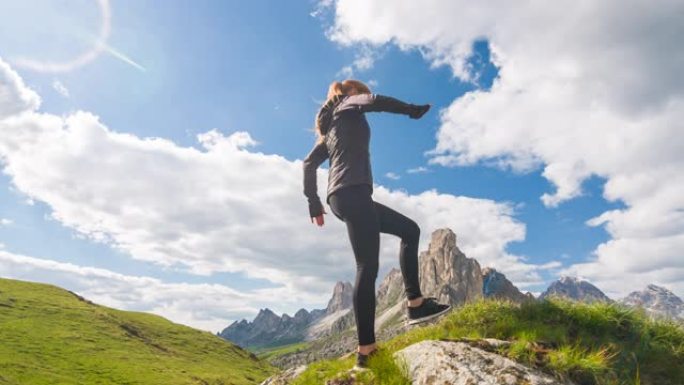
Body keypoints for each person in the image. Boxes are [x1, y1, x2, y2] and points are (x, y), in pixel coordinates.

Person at [302, 79, 452, 371]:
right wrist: (410, 110)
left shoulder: (330, 128)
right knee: (366, 267)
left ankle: (415, 304)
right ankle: (366, 351)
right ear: (350, 93)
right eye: (360, 90)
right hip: (352, 192)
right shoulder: (350, 103)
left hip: (345, 197)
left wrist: (314, 202)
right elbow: (375, 100)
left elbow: (308, 164)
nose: (363, 95)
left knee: (409, 230)